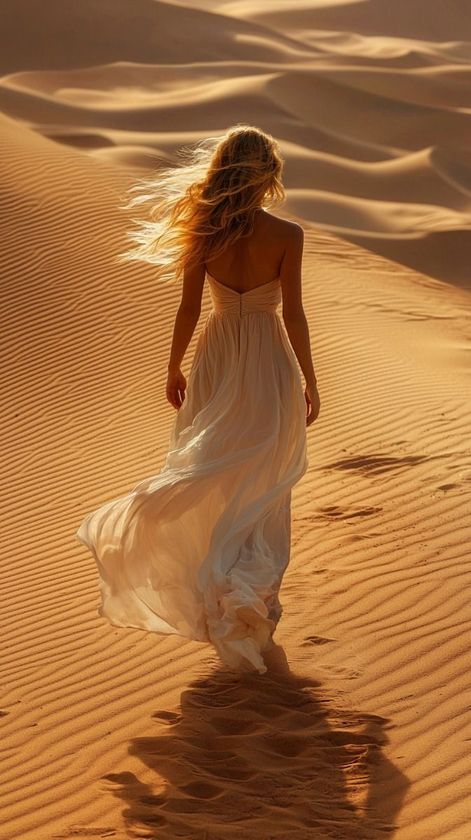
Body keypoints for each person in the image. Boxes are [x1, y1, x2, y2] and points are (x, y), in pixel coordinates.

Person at [75, 124, 320, 676]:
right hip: (265, 361)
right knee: (263, 480)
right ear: (267, 176)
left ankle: (226, 595)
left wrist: (173, 364)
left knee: (213, 473)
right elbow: (296, 315)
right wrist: (310, 378)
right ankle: (250, 601)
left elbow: (189, 310)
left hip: (216, 357)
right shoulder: (288, 235)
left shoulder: (203, 233)